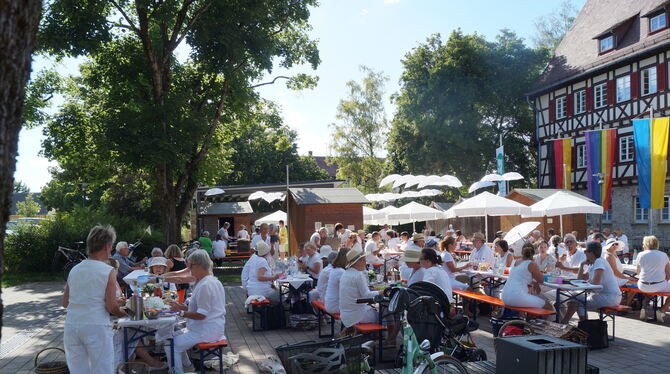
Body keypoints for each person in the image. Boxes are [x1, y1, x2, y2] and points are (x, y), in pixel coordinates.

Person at [63, 225, 127, 374]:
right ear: (106, 246)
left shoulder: (74, 269)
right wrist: (124, 314)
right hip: (96, 326)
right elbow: (111, 307)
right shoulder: (107, 270)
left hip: (72, 325)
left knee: (78, 371)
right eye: (111, 247)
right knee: (102, 370)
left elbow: (65, 303)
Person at [168, 250, 226, 373]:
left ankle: (178, 371)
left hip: (206, 331)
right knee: (172, 336)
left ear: (200, 266)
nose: (189, 268)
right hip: (211, 327)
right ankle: (188, 365)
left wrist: (180, 312)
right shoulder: (211, 280)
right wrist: (180, 306)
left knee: (172, 345)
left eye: (191, 266)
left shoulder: (205, 285)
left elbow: (201, 315)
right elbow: (198, 308)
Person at [561, 242, 621, 323]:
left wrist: (586, 284)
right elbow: (580, 279)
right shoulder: (594, 263)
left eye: (586, 251)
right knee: (576, 298)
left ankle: (569, 322)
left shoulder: (599, 262)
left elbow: (596, 284)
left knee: (575, 299)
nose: (584, 253)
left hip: (609, 297)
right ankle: (582, 325)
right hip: (604, 296)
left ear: (591, 252)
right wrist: (582, 265)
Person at [339, 247, 383, 328]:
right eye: (363, 260)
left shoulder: (345, 273)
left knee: (373, 309)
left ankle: (374, 335)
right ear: (357, 262)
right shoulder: (358, 275)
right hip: (356, 316)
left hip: (345, 314)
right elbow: (366, 295)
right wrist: (381, 292)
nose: (365, 262)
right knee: (383, 314)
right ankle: (385, 337)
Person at [501, 243, 550, 310]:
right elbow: (541, 280)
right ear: (533, 253)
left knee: (532, 299)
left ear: (522, 252)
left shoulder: (517, 262)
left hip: (504, 296)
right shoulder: (532, 264)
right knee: (549, 306)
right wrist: (538, 269)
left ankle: (532, 319)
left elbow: (523, 275)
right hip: (517, 297)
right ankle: (542, 320)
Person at [636, 235, 670, 321]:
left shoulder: (640, 254)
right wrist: (664, 282)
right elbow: (668, 273)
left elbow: (638, 272)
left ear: (646, 244)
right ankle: (662, 310)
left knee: (649, 290)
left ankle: (644, 307)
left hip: (642, 285)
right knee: (656, 287)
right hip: (658, 285)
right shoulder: (663, 255)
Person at [325, 248, 349, 314]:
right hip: (335, 306)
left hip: (329, 303)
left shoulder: (335, 269)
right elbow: (348, 290)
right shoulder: (341, 272)